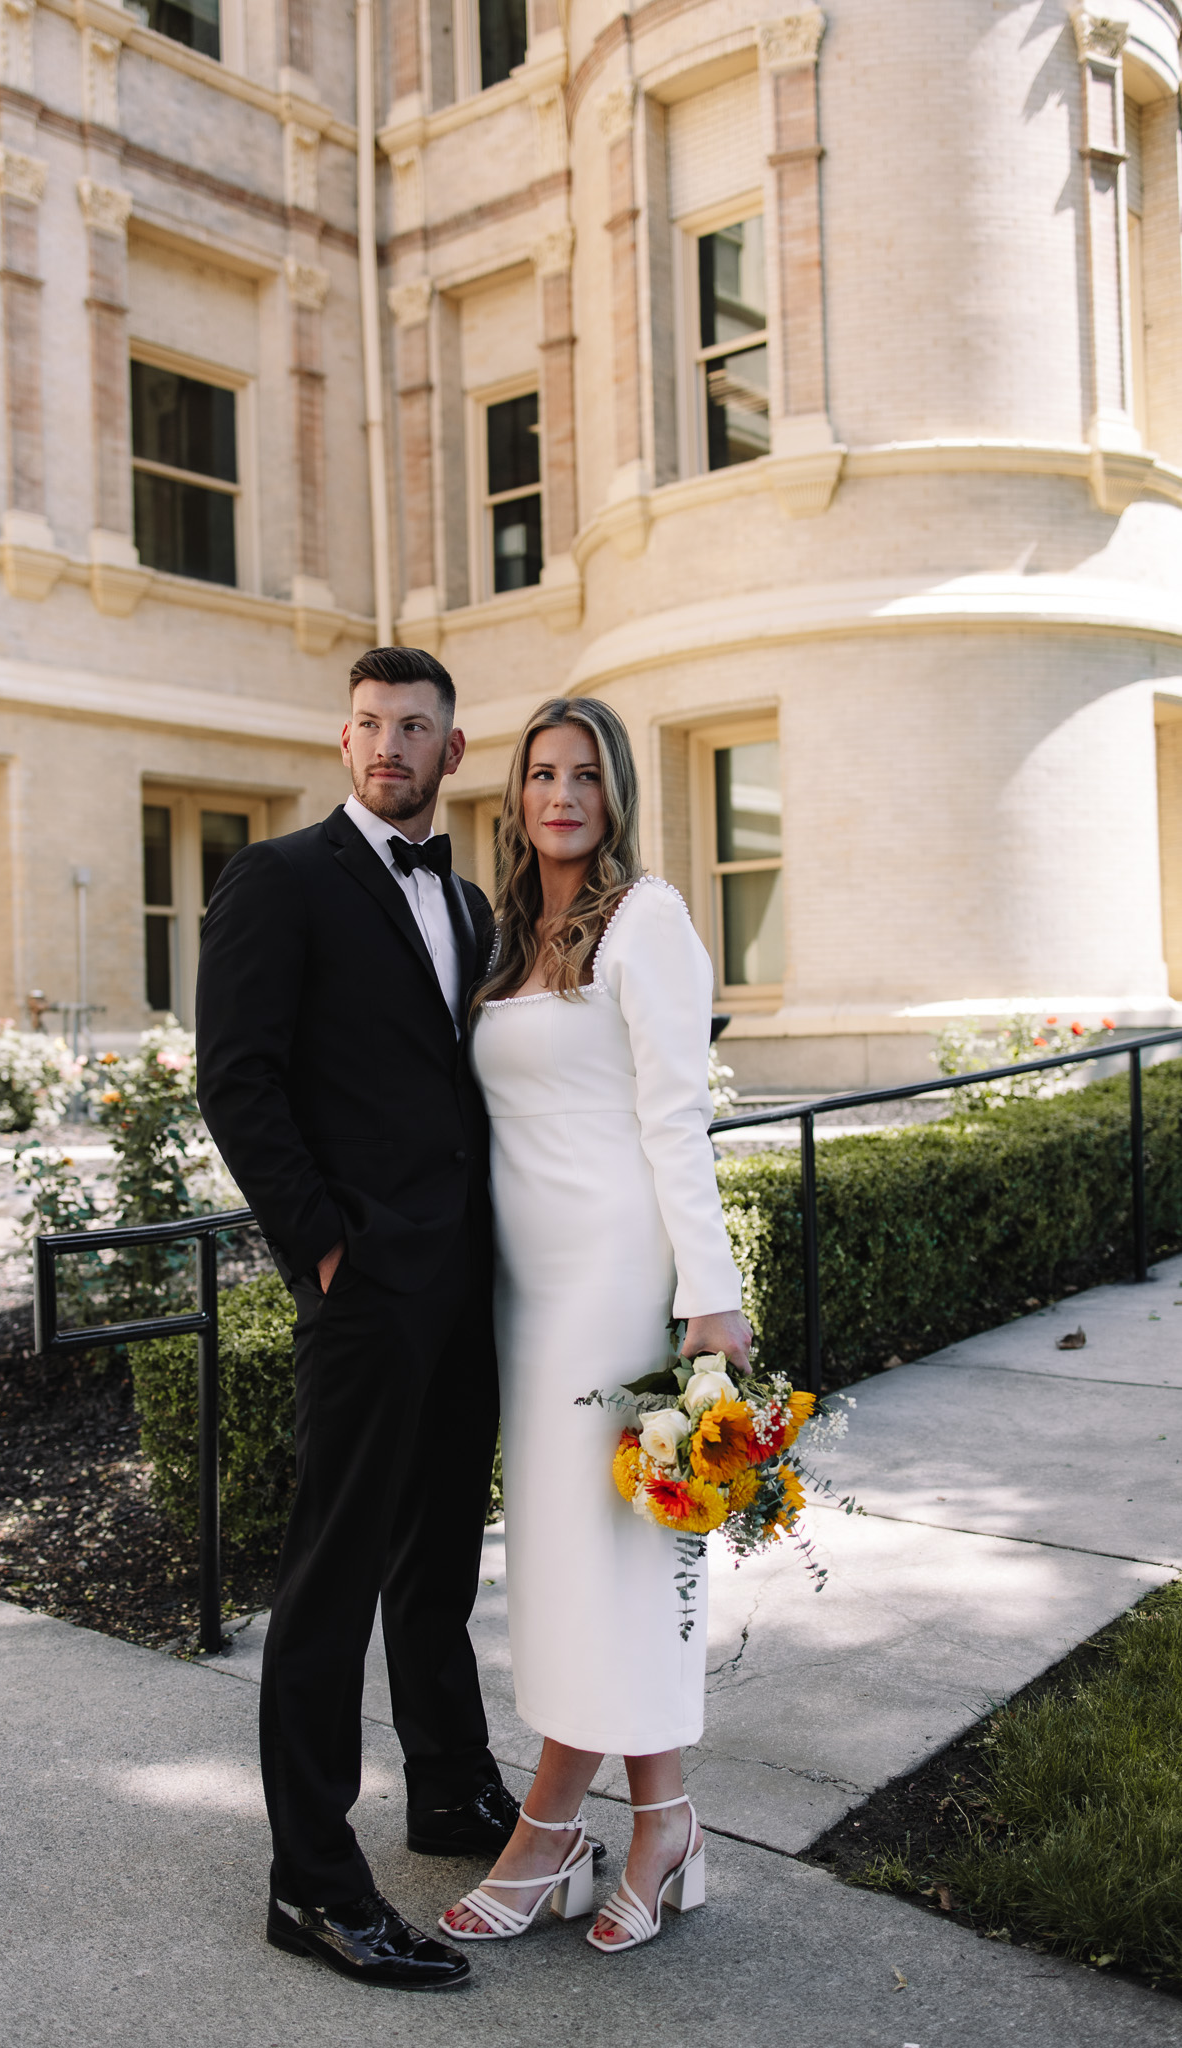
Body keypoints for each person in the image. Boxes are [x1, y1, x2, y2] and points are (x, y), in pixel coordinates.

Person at [196, 646, 516, 1991]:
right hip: (365, 1291)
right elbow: (237, 1079)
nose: (391, 745)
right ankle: (312, 1882)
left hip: (466, 1289)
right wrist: (322, 1249)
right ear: (345, 742)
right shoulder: (282, 879)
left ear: (453, 751)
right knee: (331, 1580)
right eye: (372, 724)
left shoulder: (474, 905)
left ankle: (447, 1791)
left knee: (437, 1564)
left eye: (417, 727)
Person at [442, 696, 752, 1954]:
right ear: (516, 796)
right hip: (528, 1288)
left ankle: (555, 1828)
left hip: (623, 1277)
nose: (560, 793)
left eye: (584, 774)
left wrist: (708, 1293)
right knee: (571, 1566)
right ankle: (660, 1815)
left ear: (616, 791)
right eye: (540, 774)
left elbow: (677, 1117)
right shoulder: (505, 937)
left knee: (623, 1556)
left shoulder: (648, 917)